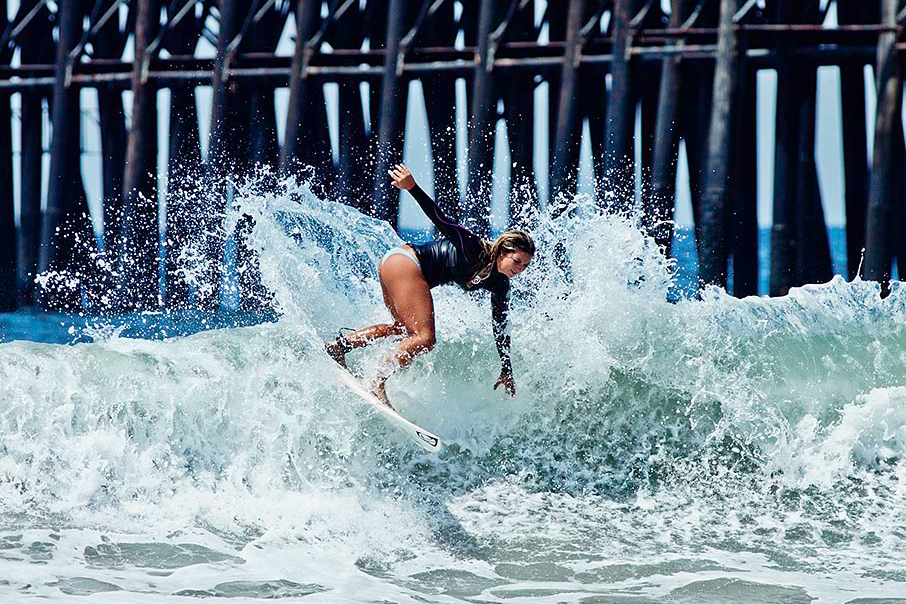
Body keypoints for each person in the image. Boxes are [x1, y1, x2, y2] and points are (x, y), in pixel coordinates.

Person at [326, 164, 535, 407]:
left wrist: (506, 368)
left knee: (405, 331)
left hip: (395, 262)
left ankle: (339, 347)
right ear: (503, 251)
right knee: (425, 339)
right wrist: (412, 187)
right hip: (406, 263)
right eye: (517, 261)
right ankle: (376, 380)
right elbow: (441, 219)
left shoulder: (499, 284)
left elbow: (500, 325)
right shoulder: (474, 248)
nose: (519, 269)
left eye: (525, 266)